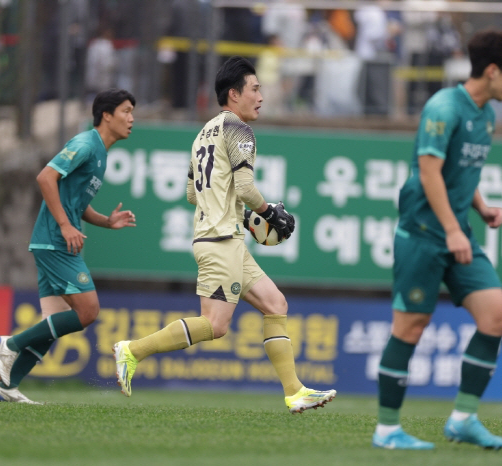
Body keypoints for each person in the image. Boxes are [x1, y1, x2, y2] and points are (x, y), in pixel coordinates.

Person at [112, 56, 337, 414]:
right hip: (221, 241)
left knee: (275, 303)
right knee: (215, 325)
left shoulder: (204, 132)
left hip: (223, 237)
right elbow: (246, 187)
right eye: (255, 88)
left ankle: (294, 392)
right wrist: (266, 213)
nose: (261, 96)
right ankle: (132, 351)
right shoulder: (240, 130)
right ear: (234, 94)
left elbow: (191, 194)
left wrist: (242, 215)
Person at [372, 29, 502, 449]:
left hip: (458, 234)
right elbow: (429, 172)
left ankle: (462, 419)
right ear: (492, 70)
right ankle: (387, 430)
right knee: (410, 328)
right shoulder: (443, 107)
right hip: (423, 236)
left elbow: (460, 172)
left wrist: (480, 207)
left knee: (495, 318)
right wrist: (455, 229)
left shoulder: (487, 116)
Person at [0, 89, 138, 403]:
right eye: (126, 111)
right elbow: (46, 178)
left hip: (58, 240)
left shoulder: (101, 154)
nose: (131, 118)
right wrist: (64, 225)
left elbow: (77, 204)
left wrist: (106, 221)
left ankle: (6, 387)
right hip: (55, 242)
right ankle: (11, 345)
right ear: (106, 115)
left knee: (51, 326)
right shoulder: (85, 144)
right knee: (88, 311)